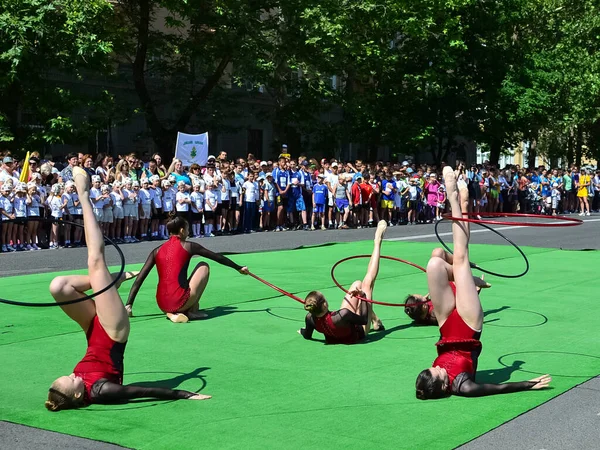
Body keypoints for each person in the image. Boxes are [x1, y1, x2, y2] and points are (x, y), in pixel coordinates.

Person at [45, 167, 211, 412]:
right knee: (95, 261)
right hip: (113, 332)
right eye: (72, 379)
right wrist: (181, 393)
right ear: (79, 394)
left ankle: (110, 281)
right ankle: (83, 193)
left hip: (93, 332)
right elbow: (140, 391)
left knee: (58, 286)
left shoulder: (75, 387)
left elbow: (76, 379)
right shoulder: (101, 390)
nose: (72, 374)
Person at [415, 167, 551, 399]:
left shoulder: (431, 378)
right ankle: (454, 199)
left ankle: (465, 268)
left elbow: (436, 369)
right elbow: (494, 388)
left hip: (446, 326)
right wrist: (527, 383)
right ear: (443, 386)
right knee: (460, 258)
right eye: (437, 372)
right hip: (469, 326)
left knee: (434, 265)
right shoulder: (462, 386)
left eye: (433, 367)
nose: (437, 367)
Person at [126, 213, 249, 323]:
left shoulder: (156, 250)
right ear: (181, 230)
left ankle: (173, 313)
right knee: (203, 266)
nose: (188, 232)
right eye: (187, 229)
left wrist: (129, 304)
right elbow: (217, 257)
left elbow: (140, 279)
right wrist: (238, 268)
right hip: (179, 301)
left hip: (162, 304)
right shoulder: (189, 246)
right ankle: (191, 310)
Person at [298, 221, 387, 344]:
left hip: (340, 324)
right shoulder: (342, 315)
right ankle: (377, 242)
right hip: (359, 331)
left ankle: (375, 319)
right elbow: (362, 320)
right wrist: (362, 295)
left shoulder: (310, 318)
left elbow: (307, 334)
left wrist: (302, 331)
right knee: (367, 282)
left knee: (357, 283)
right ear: (324, 305)